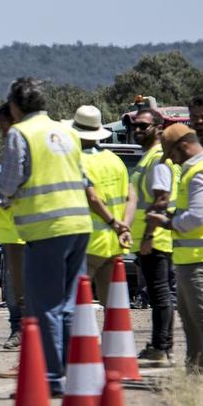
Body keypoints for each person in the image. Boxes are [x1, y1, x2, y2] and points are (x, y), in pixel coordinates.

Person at [0, 78, 130, 393]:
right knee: (68, 305)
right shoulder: (68, 131)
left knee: (46, 306)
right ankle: (74, 371)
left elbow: (9, 183)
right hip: (79, 226)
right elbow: (83, 181)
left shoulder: (20, 134)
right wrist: (110, 219)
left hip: (46, 229)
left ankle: (53, 377)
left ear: (15, 105)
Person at [148, 122, 203, 386]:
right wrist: (171, 216)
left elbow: (196, 217)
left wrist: (166, 222)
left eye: (171, 153)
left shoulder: (200, 172)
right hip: (192, 257)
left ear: (183, 146)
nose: (170, 160)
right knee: (192, 321)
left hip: (202, 258)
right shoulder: (199, 168)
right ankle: (195, 379)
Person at [126, 106, 176, 361]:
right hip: (151, 239)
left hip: (156, 239)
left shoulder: (157, 159)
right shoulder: (148, 158)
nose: (137, 130)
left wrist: (148, 237)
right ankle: (162, 346)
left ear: (157, 128)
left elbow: (161, 199)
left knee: (160, 294)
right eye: (134, 125)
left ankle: (162, 347)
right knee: (159, 294)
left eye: (143, 125)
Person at [72, 104, 130, 305]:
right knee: (112, 307)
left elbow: (92, 198)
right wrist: (121, 227)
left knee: (77, 303)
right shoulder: (116, 161)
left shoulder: (77, 161)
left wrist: (112, 221)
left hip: (87, 243)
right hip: (113, 243)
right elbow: (129, 196)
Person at [0, 103, 26, 350]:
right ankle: (18, 331)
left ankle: (24, 331)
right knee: (13, 293)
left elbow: (10, 191)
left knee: (19, 292)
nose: (3, 134)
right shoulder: (12, 151)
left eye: (4, 128)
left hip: (25, 233)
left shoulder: (24, 149)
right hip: (10, 234)